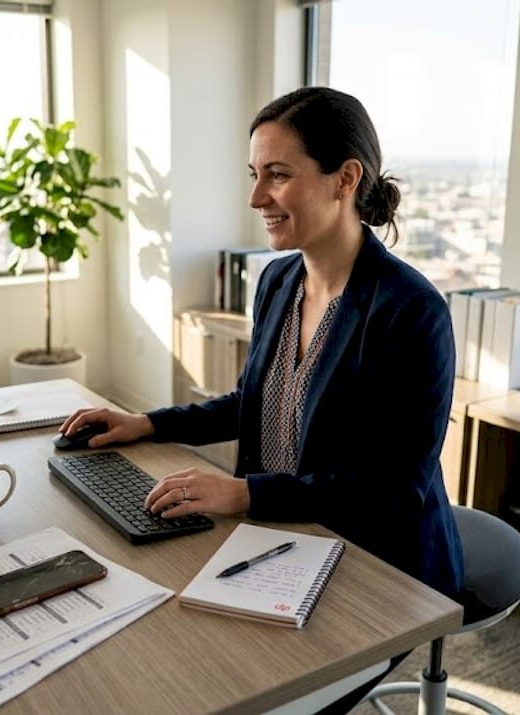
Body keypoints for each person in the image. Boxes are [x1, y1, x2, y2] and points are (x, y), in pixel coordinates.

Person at [61, 85, 463, 600]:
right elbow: (255, 403)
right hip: (283, 537)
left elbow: (394, 492)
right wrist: (147, 423)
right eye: (255, 175)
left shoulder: (411, 311)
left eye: (278, 175)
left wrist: (245, 493)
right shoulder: (278, 281)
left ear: (345, 178)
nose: (256, 198)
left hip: (381, 564)